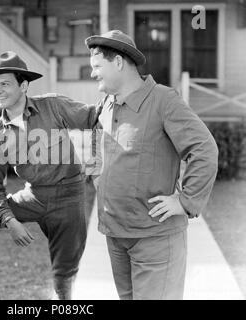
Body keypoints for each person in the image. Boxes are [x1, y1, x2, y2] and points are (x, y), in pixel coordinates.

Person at [85, 30, 219, 300]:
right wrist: (96, 174)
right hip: (116, 235)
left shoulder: (164, 100)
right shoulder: (105, 106)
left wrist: (185, 201)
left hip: (156, 239)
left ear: (119, 62)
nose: (92, 73)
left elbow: (204, 149)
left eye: (97, 66)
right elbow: (95, 148)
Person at [0, 51, 100, 300]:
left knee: (64, 274)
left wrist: (99, 162)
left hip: (68, 198)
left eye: (5, 84)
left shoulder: (53, 106)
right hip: (33, 197)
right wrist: (10, 220)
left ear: (24, 85)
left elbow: (95, 118)